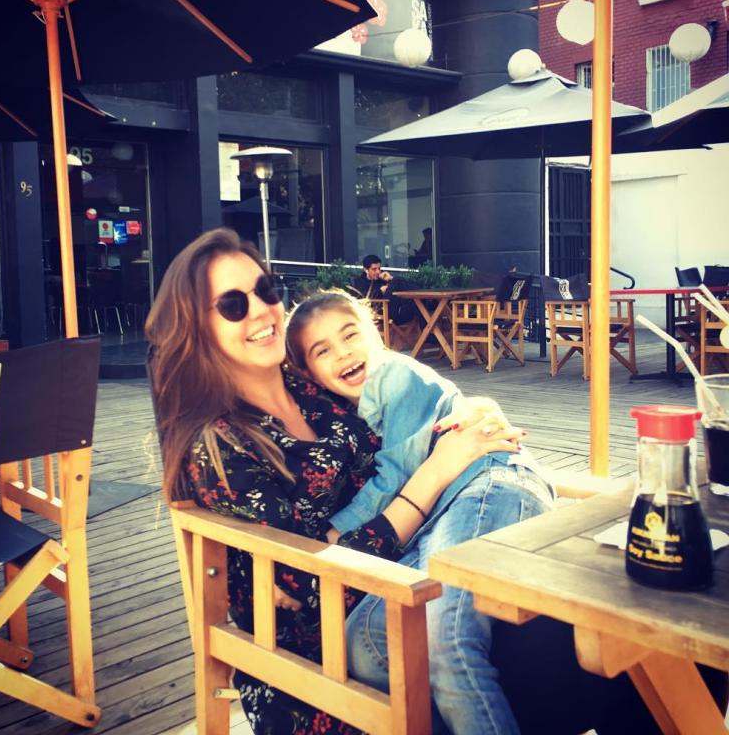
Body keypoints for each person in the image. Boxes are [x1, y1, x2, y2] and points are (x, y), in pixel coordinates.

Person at [146, 228, 522, 735]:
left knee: (589, 640)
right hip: (322, 654)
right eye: (233, 305)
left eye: (265, 290)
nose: (261, 310)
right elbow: (306, 582)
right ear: (198, 328)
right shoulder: (218, 444)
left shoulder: (313, 383)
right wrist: (437, 471)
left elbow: (410, 418)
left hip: (415, 573)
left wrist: (472, 411)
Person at [285, 291, 554, 735]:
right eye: (323, 350)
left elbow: (395, 475)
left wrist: (333, 533)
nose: (344, 353)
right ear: (309, 373)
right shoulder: (348, 408)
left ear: (376, 334)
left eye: (350, 335)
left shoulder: (395, 375)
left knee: (442, 638)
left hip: (490, 485)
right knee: (366, 640)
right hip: (442, 513)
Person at [350, 254, 415, 326]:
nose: (378, 272)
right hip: (378, 312)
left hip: (396, 310)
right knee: (397, 281)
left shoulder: (382, 279)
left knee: (416, 303)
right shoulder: (359, 282)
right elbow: (363, 300)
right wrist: (380, 291)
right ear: (366, 270)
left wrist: (390, 279)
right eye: (374, 269)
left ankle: (423, 305)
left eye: (379, 268)